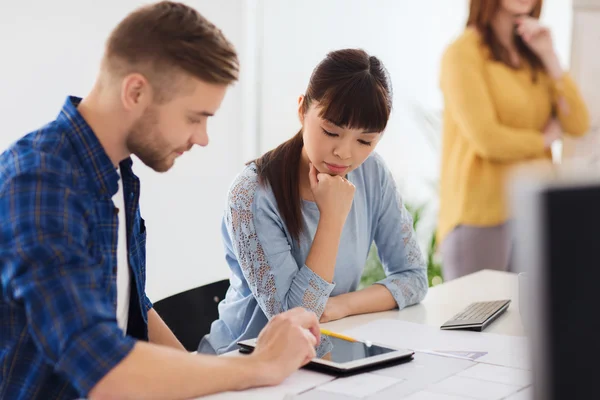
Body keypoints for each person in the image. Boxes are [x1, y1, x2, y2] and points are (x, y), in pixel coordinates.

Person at [0, 2, 321, 399]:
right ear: (135, 91)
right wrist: (259, 365)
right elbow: (102, 368)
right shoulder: (40, 182)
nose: (202, 138)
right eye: (194, 117)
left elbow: (133, 308)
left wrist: (206, 378)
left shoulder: (118, 174)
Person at [199, 48, 429, 355]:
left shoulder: (372, 173)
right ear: (301, 110)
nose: (345, 153)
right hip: (245, 361)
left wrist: (340, 305)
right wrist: (331, 218)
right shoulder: (252, 193)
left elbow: (413, 277)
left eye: (365, 141)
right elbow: (297, 319)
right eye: (331, 131)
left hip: (326, 353)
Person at [438, 0, 590, 280]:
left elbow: (578, 123)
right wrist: (543, 141)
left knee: (530, 322)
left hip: (534, 212)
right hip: (480, 215)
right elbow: (487, 139)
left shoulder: (534, 54)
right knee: (474, 320)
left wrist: (549, 55)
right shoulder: (462, 53)